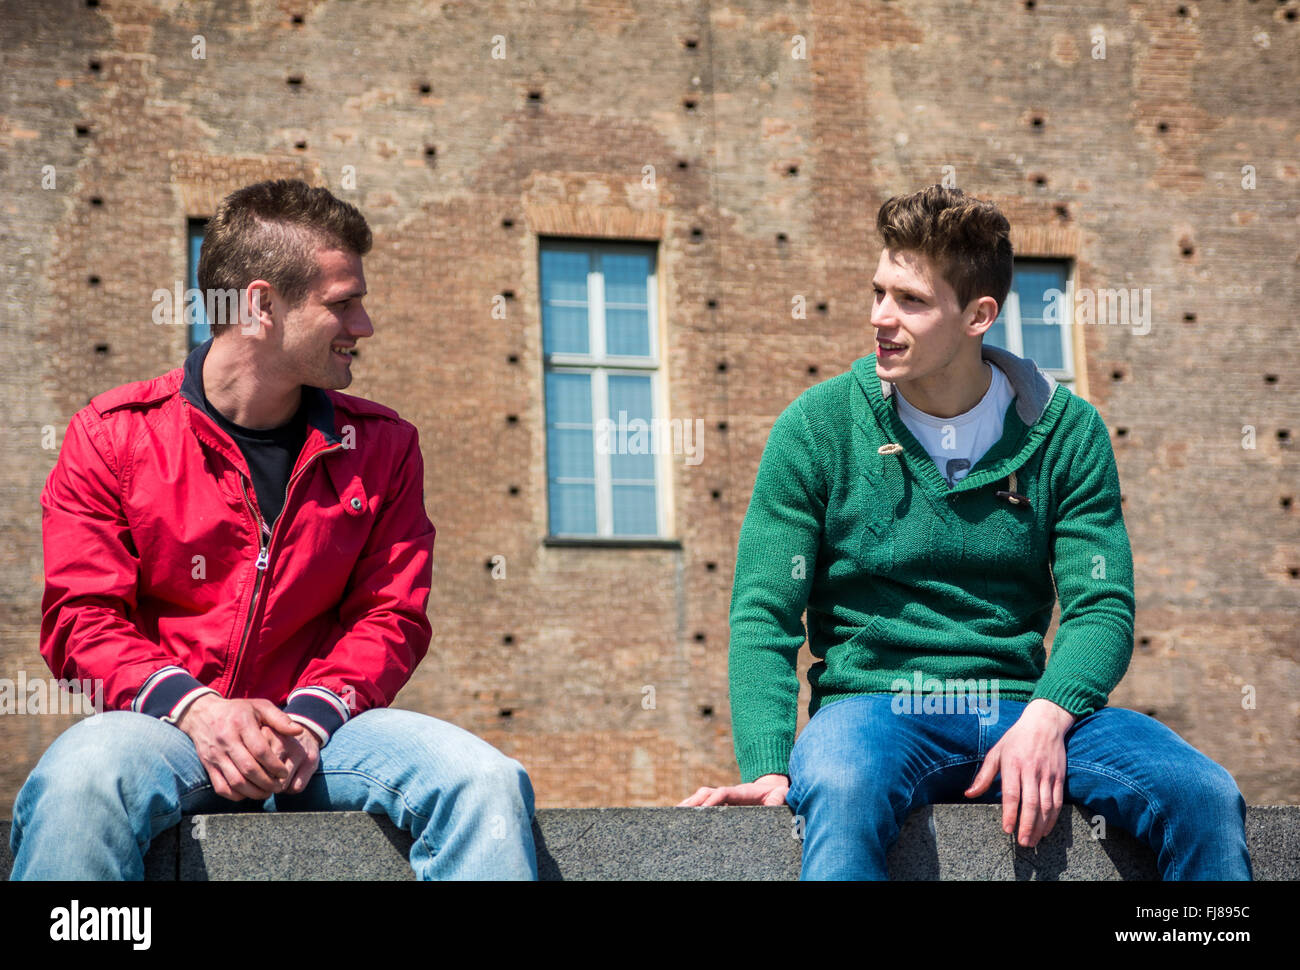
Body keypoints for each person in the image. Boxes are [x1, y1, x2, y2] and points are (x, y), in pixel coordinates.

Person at [680, 184, 1251, 881]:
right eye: (879, 292)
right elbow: (765, 614)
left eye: (911, 301)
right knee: (844, 785)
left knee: (1204, 794)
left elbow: (1100, 606)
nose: (880, 318)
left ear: (980, 315)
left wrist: (1048, 714)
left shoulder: (1067, 433)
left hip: (1022, 702)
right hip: (872, 710)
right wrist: (769, 766)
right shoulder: (818, 427)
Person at [11, 178, 537, 880]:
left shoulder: (382, 447)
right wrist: (196, 709)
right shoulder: (114, 437)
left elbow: (392, 615)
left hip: (326, 733)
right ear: (260, 305)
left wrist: (313, 716)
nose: (364, 327)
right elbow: (82, 618)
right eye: (342, 304)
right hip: (164, 730)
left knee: (484, 782)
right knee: (80, 782)